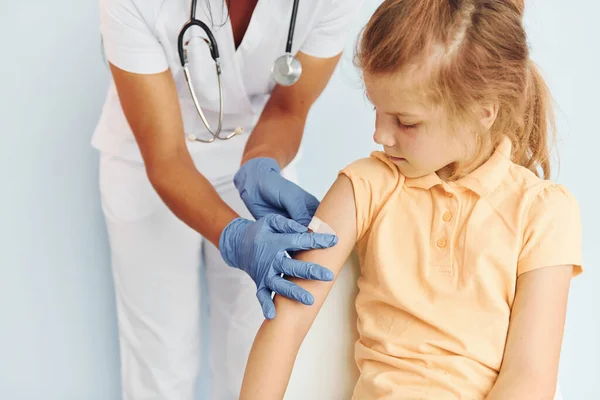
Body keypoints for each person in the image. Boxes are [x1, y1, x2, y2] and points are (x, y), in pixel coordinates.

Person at [240, 0, 583, 399]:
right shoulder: (365, 185)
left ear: (482, 112)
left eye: (406, 121)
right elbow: (286, 325)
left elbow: (529, 378)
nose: (380, 136)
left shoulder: (544, 212)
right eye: (377, 110)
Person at [94, 0, 362, 398]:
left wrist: (261, 165)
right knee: (159, 358)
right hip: (148, 160)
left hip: (257, 144)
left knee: (252, 346)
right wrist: (236, 236)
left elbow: (289, 107)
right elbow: (165, 157)